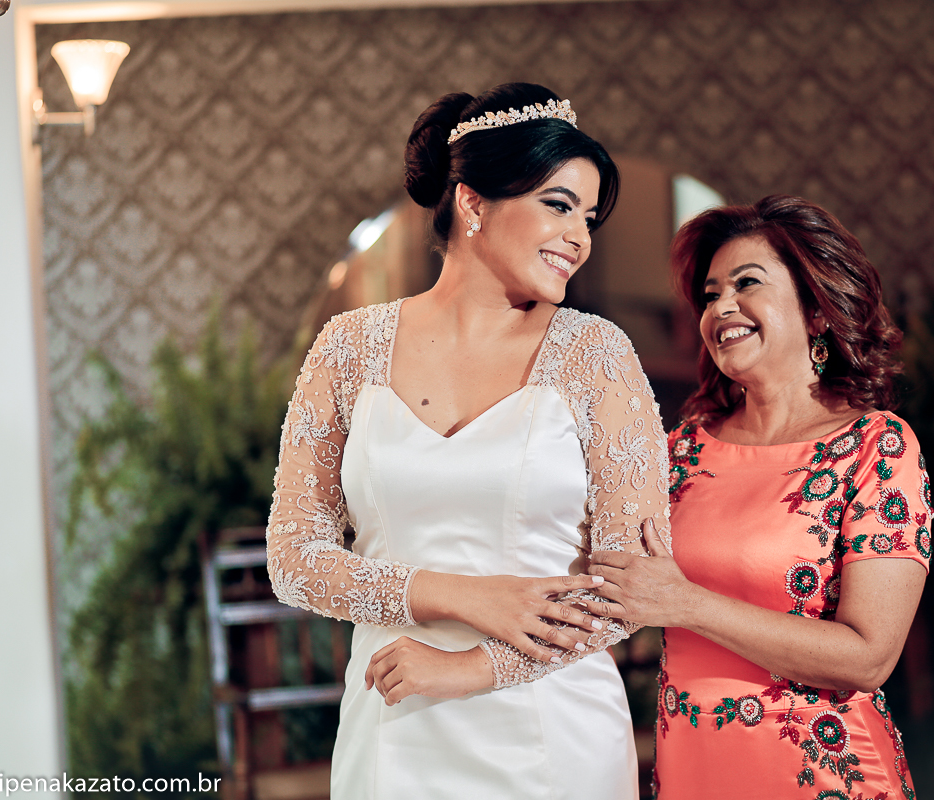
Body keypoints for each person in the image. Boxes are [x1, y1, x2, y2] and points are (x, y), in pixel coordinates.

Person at [265, 82, 670, 800]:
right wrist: (462, 596)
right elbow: (294, 559)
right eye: (558, 205)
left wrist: (471, 668)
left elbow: (631, 584)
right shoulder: (347, 348)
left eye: (588, 217)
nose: (579, 237)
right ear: (473, 202)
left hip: (554, 731)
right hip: (395, 718)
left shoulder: (597, 356)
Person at [583, 196, 929, 799]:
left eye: (747, 283)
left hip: (825, 778)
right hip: (693, 775)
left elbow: (868, 657)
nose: (721, 307)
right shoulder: (679, 451)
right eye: (711, 293)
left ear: (816, 312)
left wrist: (686, 604)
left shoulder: (875, 445)